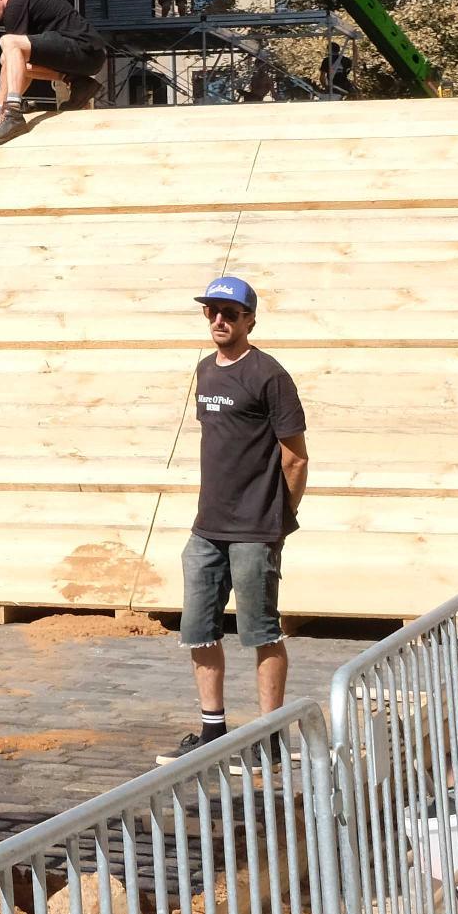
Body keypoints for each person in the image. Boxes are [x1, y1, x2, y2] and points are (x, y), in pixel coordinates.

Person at [162, 273, 309, 762]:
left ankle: (268, 738)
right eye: (211, 311)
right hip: (207, 527)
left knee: (261, 631)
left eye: (230, 313)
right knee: (198, 629)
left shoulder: (269, 376)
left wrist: (279, 516)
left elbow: (295, 458)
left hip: (255, 528)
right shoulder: (205, 371)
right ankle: (213, 731)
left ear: (250, 318)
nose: (219, 320)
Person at [0, 0, 106, 148]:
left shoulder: (15, 5)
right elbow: (15, 63)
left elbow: (13, 54)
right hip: (86, 55)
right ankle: (77, 81)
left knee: (9, 44)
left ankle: (13, 113)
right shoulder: (24, 0)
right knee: (9, 57)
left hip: (84, 49)